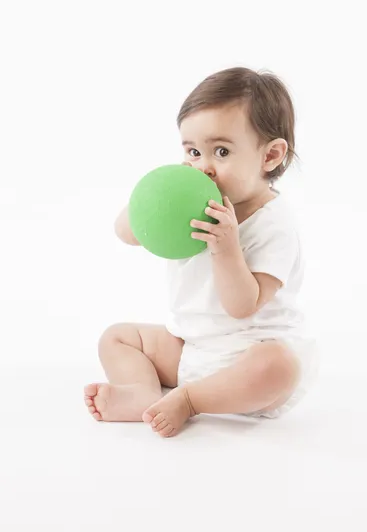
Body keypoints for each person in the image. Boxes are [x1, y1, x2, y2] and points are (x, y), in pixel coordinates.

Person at [84, 66, 318, 437]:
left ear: (270, 156)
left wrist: (226, 248)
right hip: (191, 348)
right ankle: (143, 394)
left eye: (221, 151)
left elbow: (243, 305)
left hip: (248, 356)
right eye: (193, 151)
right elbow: (126, 233)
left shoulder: (274, 225)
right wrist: (156, 199)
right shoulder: (191, 206)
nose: (202, 167)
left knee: (279, 366)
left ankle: (192, 400)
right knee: (117, 337)